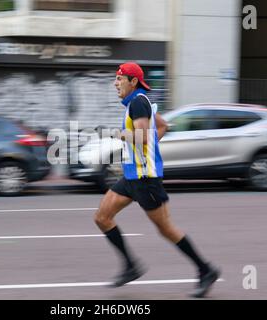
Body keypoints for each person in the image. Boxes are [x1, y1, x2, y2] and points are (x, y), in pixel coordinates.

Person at [94, 62, 220, 298]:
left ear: (133, 82)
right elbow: (163, 126)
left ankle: (206, 270)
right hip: (132, 176)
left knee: (166, 229)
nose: (115, 82)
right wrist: (149, 144)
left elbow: (141, 136)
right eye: (116, 78)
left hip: (146, 180)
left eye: (120, 79)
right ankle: (131, 266)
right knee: (102, 217)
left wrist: (114, 134)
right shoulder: (138, 102)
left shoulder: (139, 102)